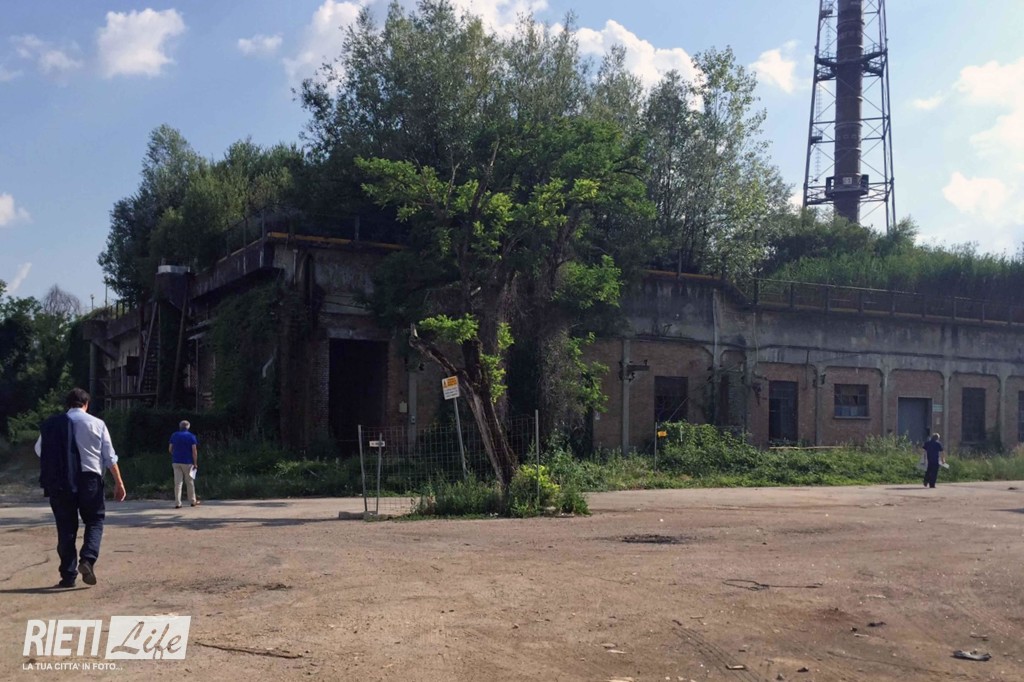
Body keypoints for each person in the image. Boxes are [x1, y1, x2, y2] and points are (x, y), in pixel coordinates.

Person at [35, 388, 126, 588]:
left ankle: (68, 576)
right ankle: (87, 559)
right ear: (86, 404)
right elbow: (109, 457)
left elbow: (40, 450)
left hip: (62, 481)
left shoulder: (53, 424)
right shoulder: (97, 423)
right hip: (90, 480)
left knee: (66, 527)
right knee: (94, 520)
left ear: (67, 405)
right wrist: (119, 483)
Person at [169, 420, 200, 509]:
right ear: (188, 427)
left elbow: (170, 449)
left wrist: (174, 455)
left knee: (178, 483)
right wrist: (195, 463)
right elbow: (194, 451)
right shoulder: (191, 436)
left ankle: (177, 503)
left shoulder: (174, 435)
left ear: (180, 426)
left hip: (176, 461)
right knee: (189, 482)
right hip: (188, 462)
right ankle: (192, 501)